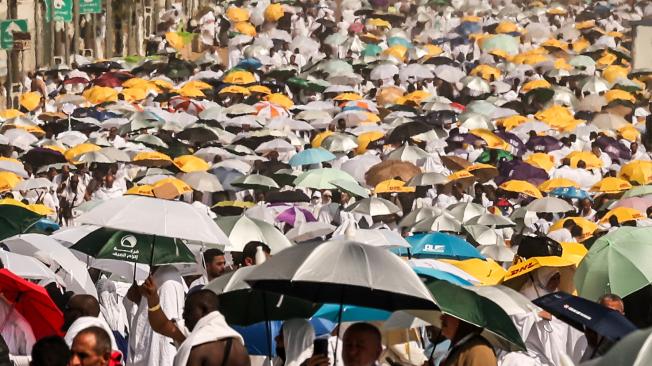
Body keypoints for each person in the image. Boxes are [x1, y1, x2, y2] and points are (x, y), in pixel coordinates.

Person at [126, 265, 185, 366]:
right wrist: (139, 299)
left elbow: (164, 336)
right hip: (145, 353)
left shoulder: (168, 280)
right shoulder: (156, 275)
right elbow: (147, 313)